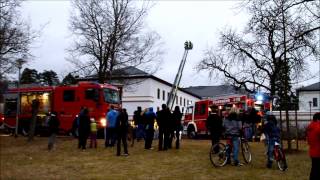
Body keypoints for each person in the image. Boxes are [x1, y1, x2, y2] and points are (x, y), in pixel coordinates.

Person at [306, 112, 320, 180]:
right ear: (318, 119)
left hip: (312, 151)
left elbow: (308, 140)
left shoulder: (310, 127)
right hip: (318, 151)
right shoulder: (318, 127)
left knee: (314, 168)